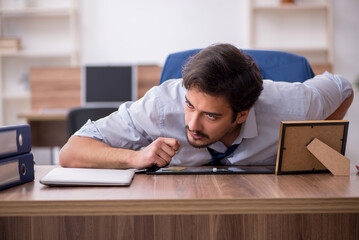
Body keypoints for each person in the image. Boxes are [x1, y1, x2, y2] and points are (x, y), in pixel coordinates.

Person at [59, 43, 354, 169]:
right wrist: (134, 158)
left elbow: (343, 89)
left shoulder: (293, 104)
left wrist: (312, 144)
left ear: (242, 113)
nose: (193, 124)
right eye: (190, 106)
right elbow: (71, 152)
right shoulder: (161, 105)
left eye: (211, 115)